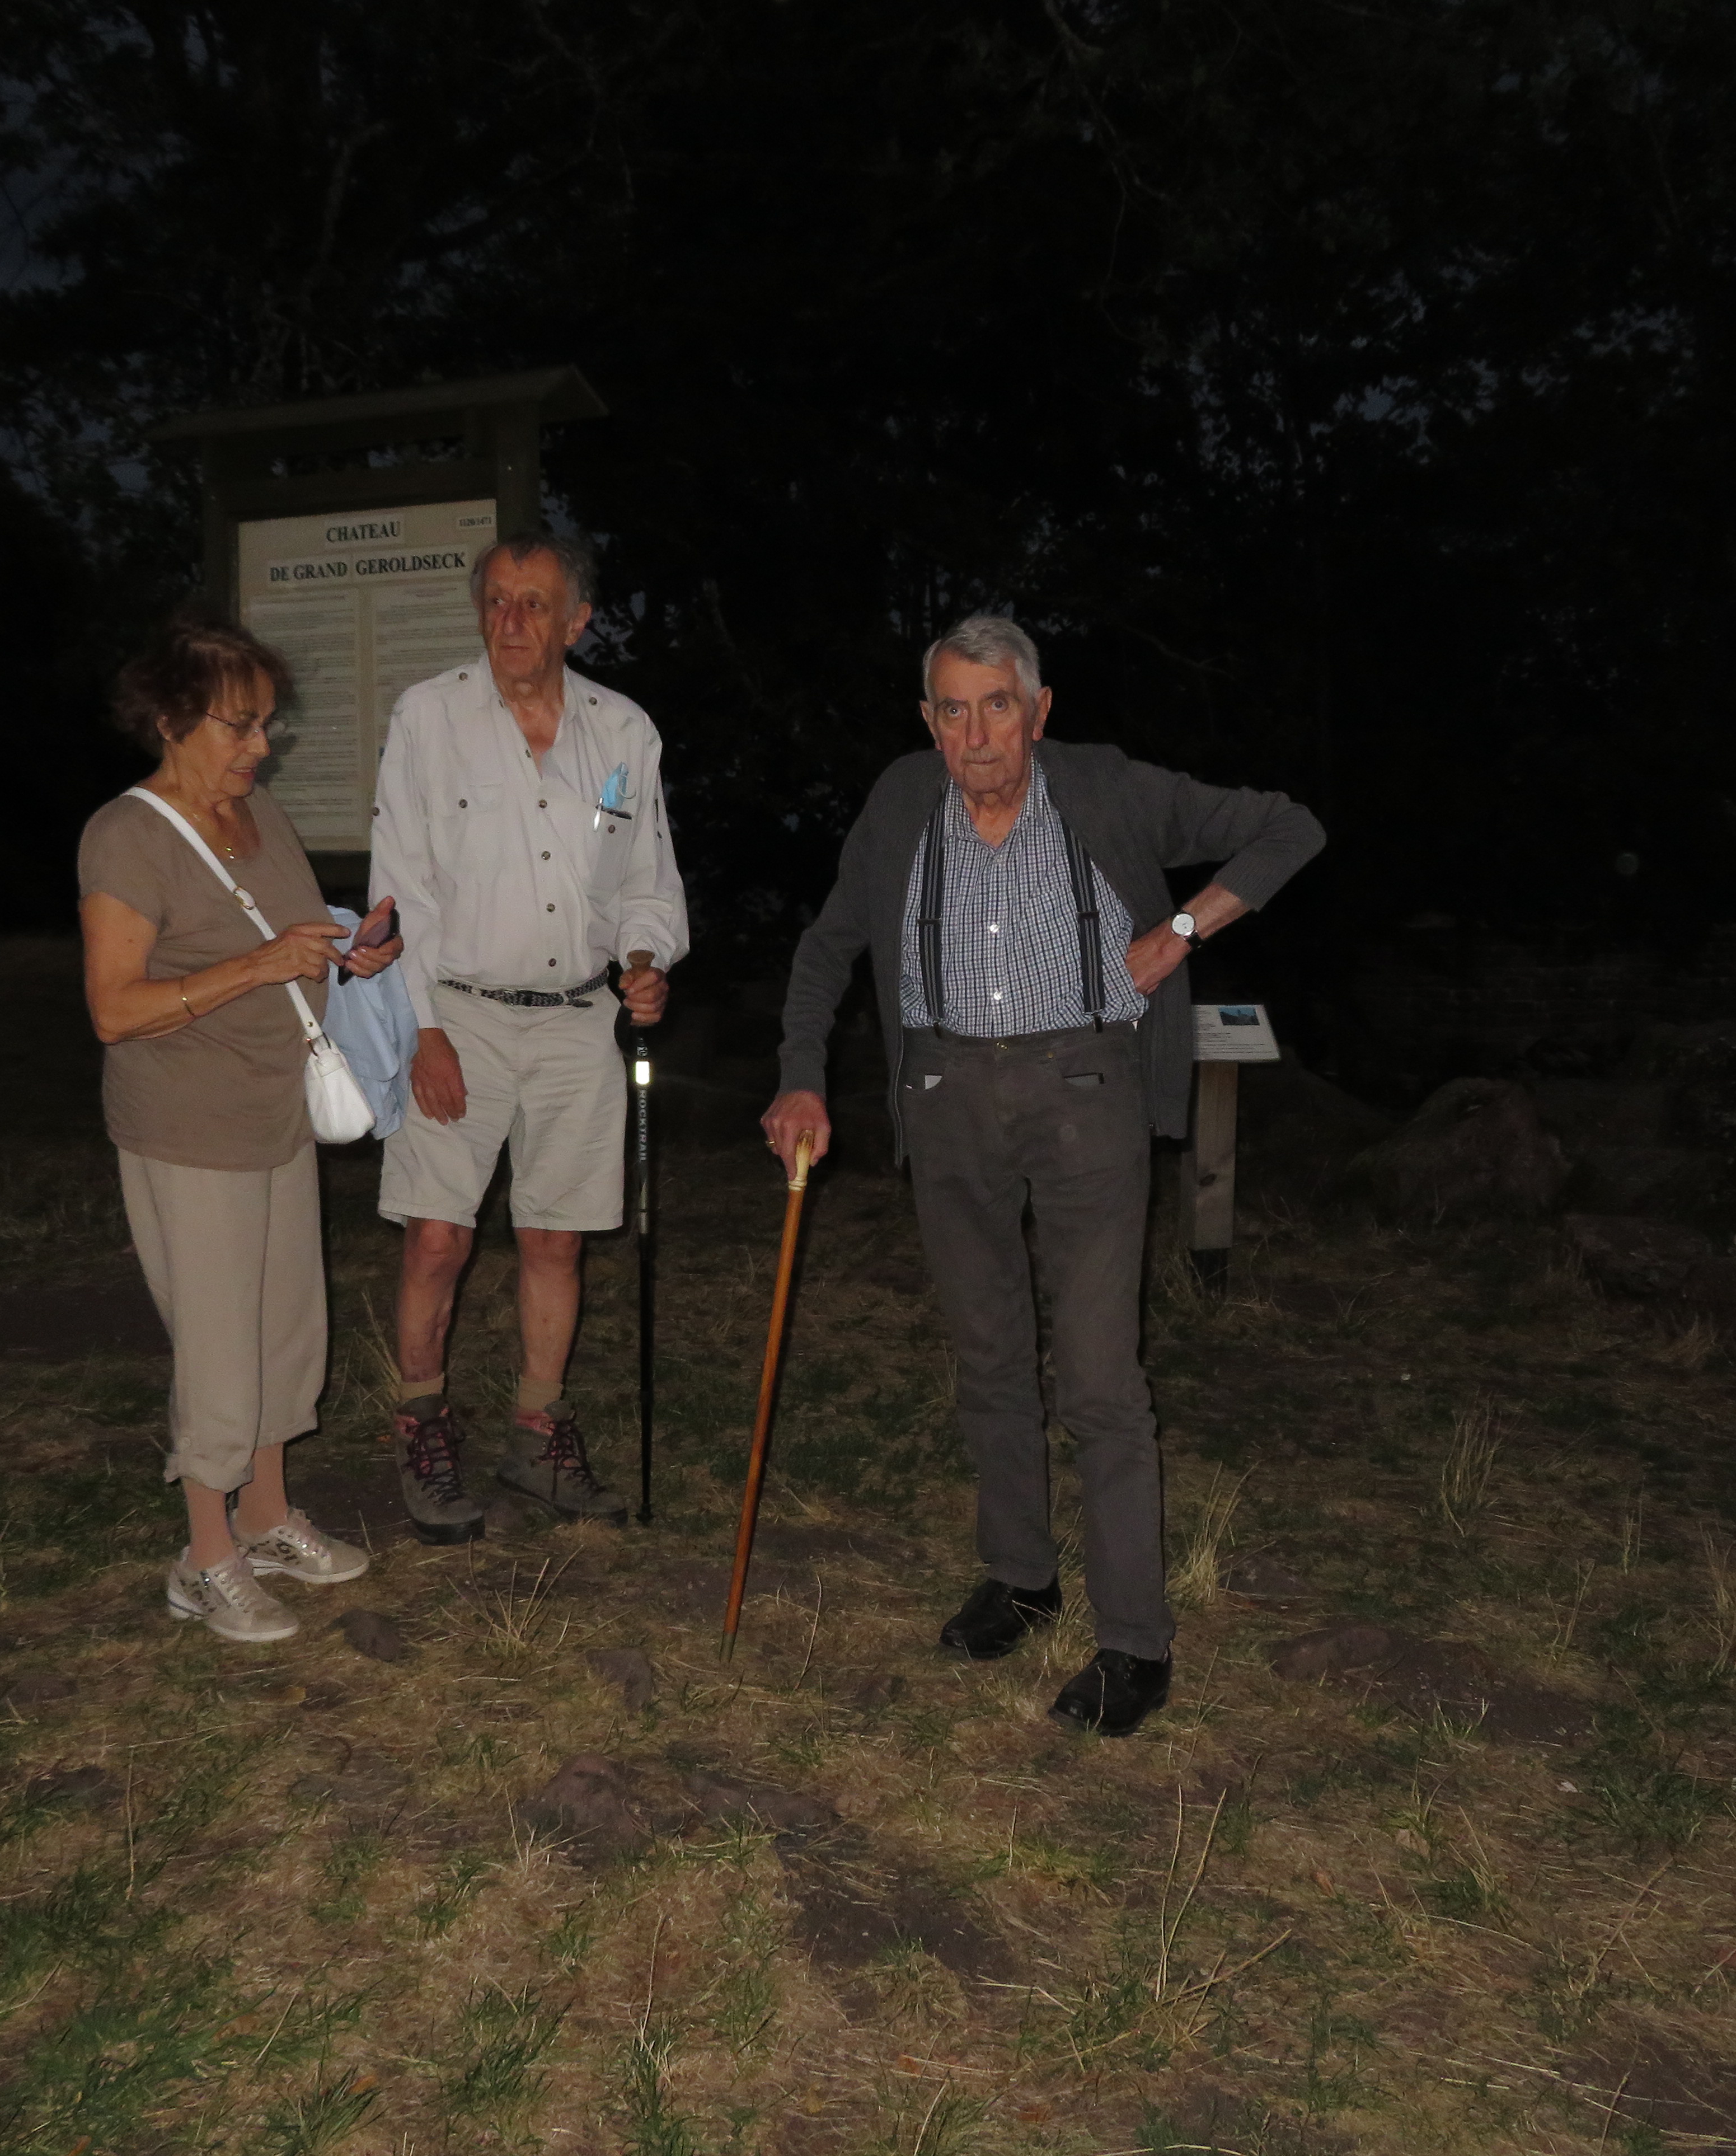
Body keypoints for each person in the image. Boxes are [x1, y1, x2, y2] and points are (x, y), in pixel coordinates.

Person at [764, 616, 1324, 1736]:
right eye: (954, 710)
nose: (977, 734)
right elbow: (829, 947)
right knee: (988, 1356)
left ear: (1039, 710)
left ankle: (1135, 1643)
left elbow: (1288, 829)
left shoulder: (1108, 789)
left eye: (998, 706)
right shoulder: (900, 802)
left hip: (1085, 1092)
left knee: (1101, 1378)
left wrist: (1182, 927)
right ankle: (1020, 1576)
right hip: (946, 1096)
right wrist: (800, 1079)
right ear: (929, 721)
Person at [78, 618, 403, 1643]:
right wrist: (259, 967)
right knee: (219, 1345)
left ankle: (266, 1519)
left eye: (268, 725)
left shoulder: (259, 815)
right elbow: (114, 1008)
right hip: (187, 1124)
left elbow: (286, 937)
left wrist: (347, 952)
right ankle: (204, 1557)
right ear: (171, 721)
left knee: (285, 1329)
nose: (262, 746)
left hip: (276, 1108)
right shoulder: (125, 836)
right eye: (240, 725)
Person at [367, 531, 687, 1541]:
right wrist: (422, 1029)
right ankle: (422, 1426)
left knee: (555, 1236)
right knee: (438, 1237)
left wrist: (644, 962)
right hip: (455, 1010)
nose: (510, 621)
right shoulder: (428, 717)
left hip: (577, 1021)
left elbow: (645, 881)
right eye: (497, 600)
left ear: (576, 621)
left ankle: (537, 1434)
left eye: (534, 603)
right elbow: (401, 886)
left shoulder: (622, 733)